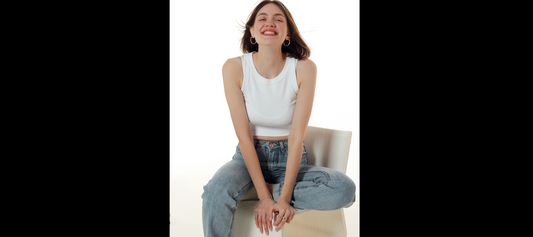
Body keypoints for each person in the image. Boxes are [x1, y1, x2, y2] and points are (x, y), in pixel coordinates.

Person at [201, 1, 355, 236]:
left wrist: (282, 198)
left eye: (278, 19)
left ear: (287, 33)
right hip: (248, 158)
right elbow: (244, 137)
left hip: (291, 161)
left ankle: (266, 188)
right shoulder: (234, 68)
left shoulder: (304, 69)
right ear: (252, 31)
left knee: (344, 190)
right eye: (262, 18)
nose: (269, 23)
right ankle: (258, 187)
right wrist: (263, 198)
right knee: (215, 191)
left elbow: (296, 138)